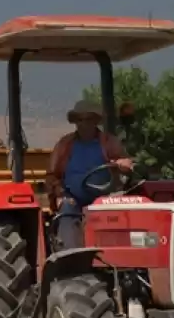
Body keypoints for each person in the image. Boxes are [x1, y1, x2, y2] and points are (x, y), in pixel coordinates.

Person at [45, 100, 133, 250]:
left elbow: (125, 164)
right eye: (79, 119)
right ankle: (71, 256)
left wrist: (123, 164)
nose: (83, 123)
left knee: (119, 212)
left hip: (104, 198)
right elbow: (52, 175)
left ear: (95, 120)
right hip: (73, 199)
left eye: (87, 119)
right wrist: (59, 195)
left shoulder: (109, 142)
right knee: (66, 208)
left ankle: (118, 257)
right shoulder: (65, 144)